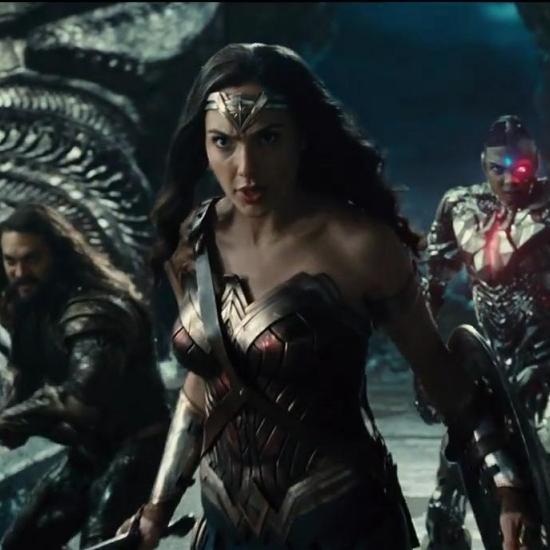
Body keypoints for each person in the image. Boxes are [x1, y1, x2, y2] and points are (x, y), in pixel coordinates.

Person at [120, 44, 531, 550]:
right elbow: (204, 385)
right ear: (201, 143)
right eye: (223, 142)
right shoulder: (194, 240)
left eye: (268, 138)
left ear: (302, 137)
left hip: (341, 523)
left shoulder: (361, 245)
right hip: (226, 528)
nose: (245, 168)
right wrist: (157, 508)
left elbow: (443, 378)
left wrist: (508, 486)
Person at [0, 204, 169, 549]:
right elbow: (22, 384)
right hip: (88, 453)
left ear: (58, 255)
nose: (20, 273)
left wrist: (7, 420)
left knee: (101, 542)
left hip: (139, 448)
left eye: (32, 259)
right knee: (22, 543)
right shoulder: (33, 309)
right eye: (10, 261)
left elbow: (80, 402)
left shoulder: (95, 309)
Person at [418, 114, 550, 549]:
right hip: (487, 370)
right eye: (499, 169)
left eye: (522, 168)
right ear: (483, 165)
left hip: (544, 369)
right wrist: (426, 361)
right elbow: (431, 284)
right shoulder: (461, 207)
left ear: (537, 162)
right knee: (447, 501)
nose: (511, 179)